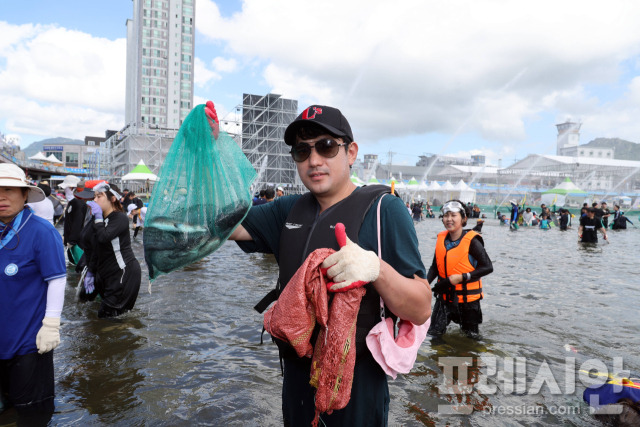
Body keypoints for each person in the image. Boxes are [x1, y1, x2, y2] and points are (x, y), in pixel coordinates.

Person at [228, 104, 431, 425]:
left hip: (358, 382)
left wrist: (375, 269)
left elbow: (420, 308)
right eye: (302, 151)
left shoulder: (385, 210)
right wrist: (210, 150)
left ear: (351, 152)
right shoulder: (286, 210)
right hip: (296, 378)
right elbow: (223, 225)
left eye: (326, 146)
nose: (314, 160)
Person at [0, 164, 66, 424]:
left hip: (29, 341)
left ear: (25, 194)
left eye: (8, 190)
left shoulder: (41, 231)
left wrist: (51, 324)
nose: (1, 198)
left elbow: (58, 280)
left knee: (33, 412)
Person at [426, 200, 493, 338]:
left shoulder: (473, 242)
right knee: (433, 335)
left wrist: (462, 277)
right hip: (444, 297)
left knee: (471, 339)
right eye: (446, 215)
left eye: (453, 215)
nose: (449, 219)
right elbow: (435, 267)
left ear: (463, 219)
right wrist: (424, 285)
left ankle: (466, 359)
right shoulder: (441, 239)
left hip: (468, 302)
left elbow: (488, 267)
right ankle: (438, 359)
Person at [84, 182, 141, 317]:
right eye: (94, 197)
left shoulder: (119, 218)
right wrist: (90, 272)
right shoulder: (100, 219)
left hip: (123, 273)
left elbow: (104, 237)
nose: (95, 200)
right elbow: (97, 247)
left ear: (113, 199)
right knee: (104, 318)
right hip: (107, 275)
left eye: (99, 196)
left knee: (108, 319)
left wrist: (98, 218)